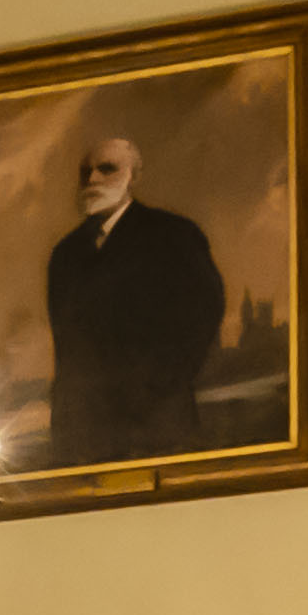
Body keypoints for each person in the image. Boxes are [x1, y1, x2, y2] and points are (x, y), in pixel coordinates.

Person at [42, 133, 227, 465]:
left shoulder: (174, 236)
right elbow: (67, 349)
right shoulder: (65, 255)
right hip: (85, 439)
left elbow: (203, 318)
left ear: (133, 177)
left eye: (107, 169)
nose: (92, 179)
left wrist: (155, 387)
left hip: (159, 428)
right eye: (86, 172)